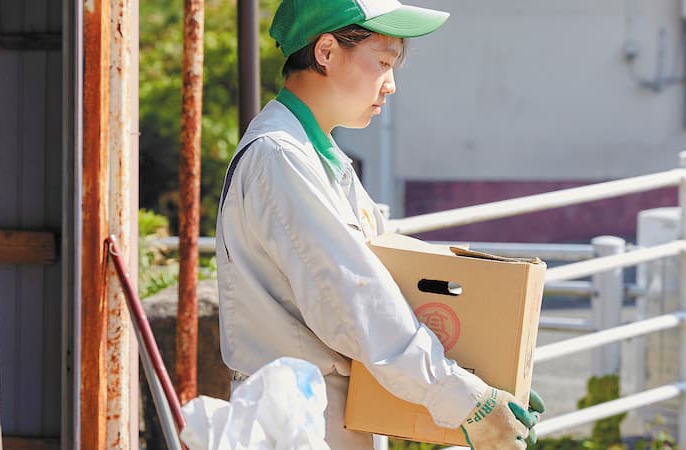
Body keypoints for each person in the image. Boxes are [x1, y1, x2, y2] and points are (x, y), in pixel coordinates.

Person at [215, 1, 545, 448]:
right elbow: (357, 304)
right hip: (299, 421)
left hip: (322, 410)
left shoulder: (314, 155)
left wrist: (487, 376)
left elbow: (383, 283)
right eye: (384, 62)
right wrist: (469, 400)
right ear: (326, 52)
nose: (390, 85)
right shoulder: (281, 157)